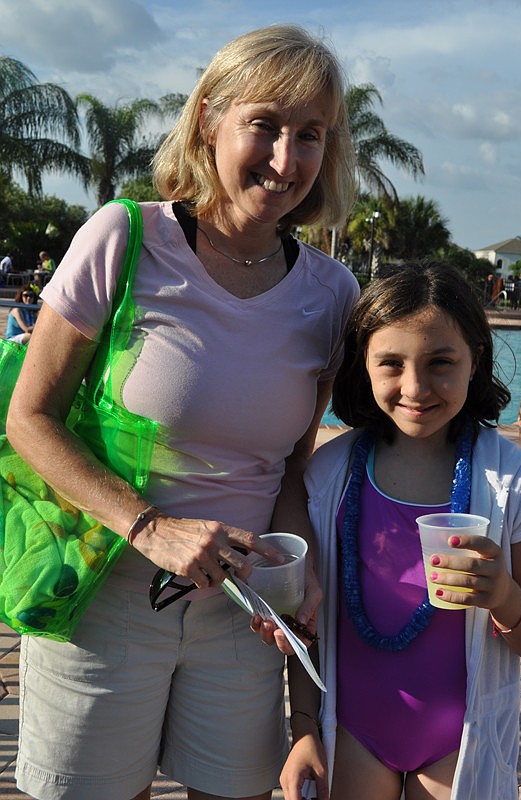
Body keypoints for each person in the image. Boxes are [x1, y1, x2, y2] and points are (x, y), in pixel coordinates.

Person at [6, 24, 359, 800]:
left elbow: (289, 472)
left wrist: (295, 579)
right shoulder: (124, 238)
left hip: (243, 618)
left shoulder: (331, 294)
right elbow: (30, 419)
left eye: (309, 135)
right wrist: (151, 528)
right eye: (263, 125)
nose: (284, 157)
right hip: (104, 603)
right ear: (209, 120)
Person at [281, 261, 521, 800]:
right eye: (391, 363)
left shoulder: (509, 480)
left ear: (475, 360)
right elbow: (308, 624)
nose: (416, 387)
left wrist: (507, 599)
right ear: (362, 367)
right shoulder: (331, 476)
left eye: (441, 362)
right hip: (352, 734)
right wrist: (304, 728)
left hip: (460, 743)